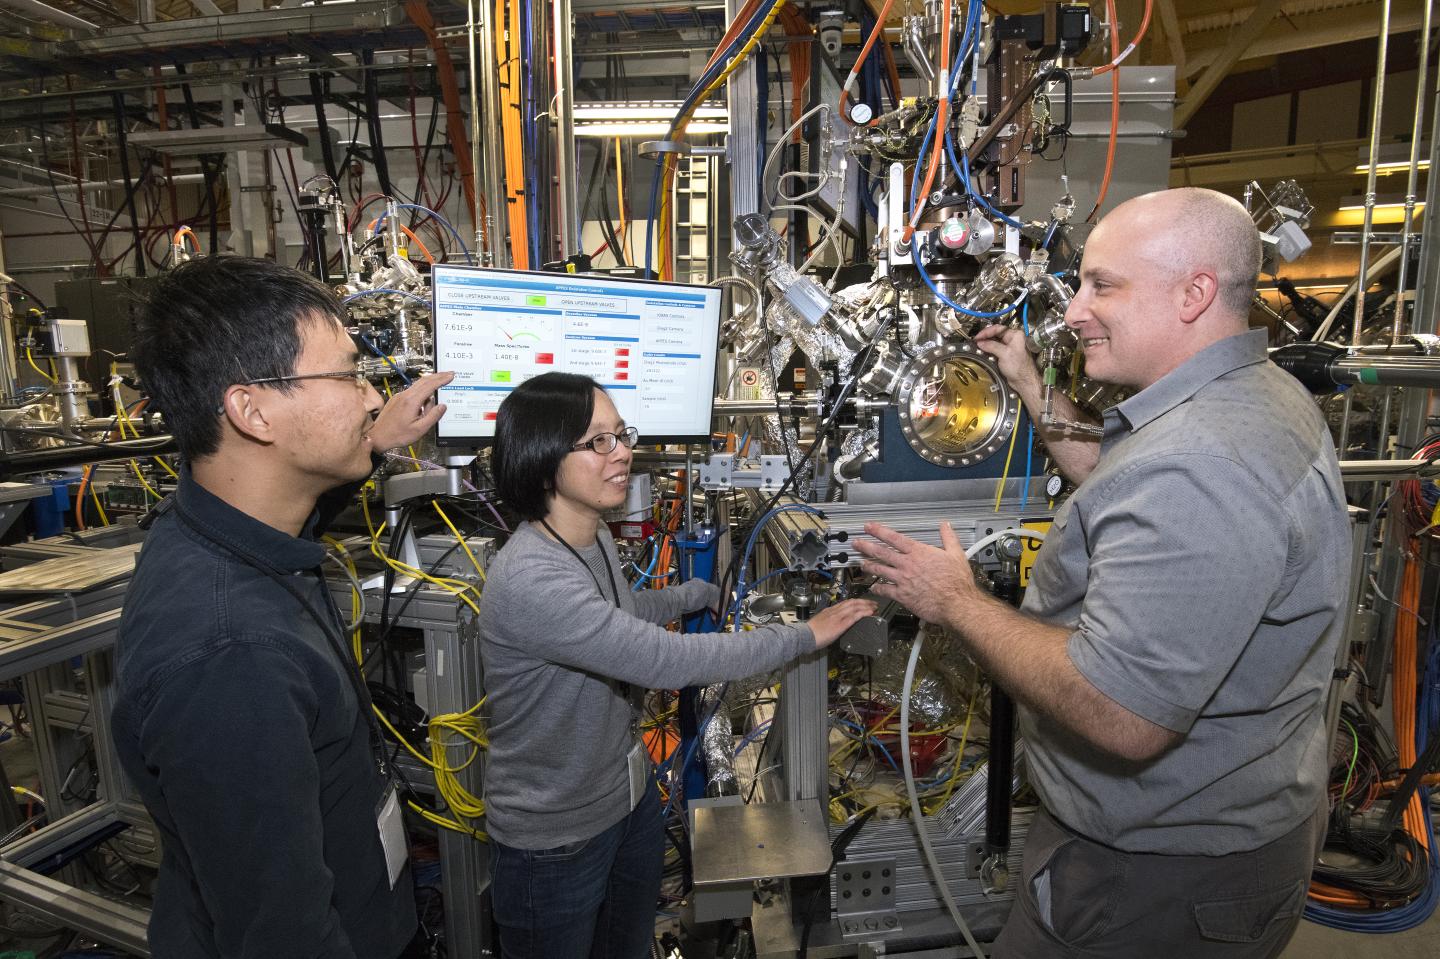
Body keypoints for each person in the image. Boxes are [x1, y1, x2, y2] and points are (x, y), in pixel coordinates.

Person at [854, 187, 1350, 957]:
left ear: (1194, 294)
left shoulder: (1202, 464)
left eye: (1103, 286)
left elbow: (1122, 712)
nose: (1076, 311)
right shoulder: (1248, 395)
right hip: (1220, 834)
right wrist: (1027, 380)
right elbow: (1117, 474)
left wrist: (955, 600)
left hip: (1155, 877)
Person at [113, 256, 454, 958]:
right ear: (253, 410)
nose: (370, 396)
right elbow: (283, 936)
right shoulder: (230, 657)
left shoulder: (224, 525)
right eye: (349, 374)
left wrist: (373, 443)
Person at [479, 371, 874, 959]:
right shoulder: (532, 577)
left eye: (622, 435)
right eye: (598, 442)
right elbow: (664, 661)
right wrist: (803, 635)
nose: (621, 453)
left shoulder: (590, 536)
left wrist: (692, 594)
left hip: (625, 799)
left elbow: (617, 618)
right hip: (557, 837)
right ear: (542, 463)